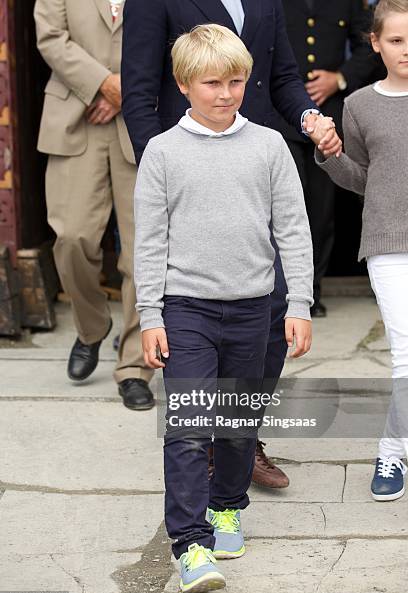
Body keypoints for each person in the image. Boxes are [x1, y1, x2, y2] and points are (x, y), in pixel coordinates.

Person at [121, 0, 341, 490]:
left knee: (276, 306)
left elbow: (283, 77)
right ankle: (209, 449)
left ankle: (241, 438)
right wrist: (167, 173)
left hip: (257, 162)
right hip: (189, 170)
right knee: (197, 326)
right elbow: (138, 94)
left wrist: (308, 118)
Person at [134, 24, 317, 593]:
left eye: (236, 81)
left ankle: (228, 506)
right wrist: (150, 315)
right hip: (186, 309)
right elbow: (149, 242)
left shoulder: (268, 146)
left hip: (256, 309)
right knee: (189, 429)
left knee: (237, 425)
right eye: (212, 82)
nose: (226, 93)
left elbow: (293, 230)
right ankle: (190, 544)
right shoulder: (162, 153)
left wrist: (301, 303)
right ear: (185, 84)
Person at [34, 0, 154, 410]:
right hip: (76, 116)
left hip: (141, 120)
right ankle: (91, 328)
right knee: (71, 238)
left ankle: (135, 367)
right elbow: (51, 37)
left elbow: (176, 37)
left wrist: (128, 92)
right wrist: (104, 83)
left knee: (144, 254)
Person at [314, 0, 408, 501]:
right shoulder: (360, 105)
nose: (406, 49)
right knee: (405, 357)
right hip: (390, 243)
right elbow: (362, 179)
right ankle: (391, 454)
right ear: (374, 43)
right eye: (396, 40)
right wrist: (329, 157)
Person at [277, 0, 380, 317]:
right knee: (285, 208)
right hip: (281, 118)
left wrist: (340, 78)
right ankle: (285, 293)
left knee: (321, 212)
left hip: (329, 116)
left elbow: (369, 43)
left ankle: (313, 291)